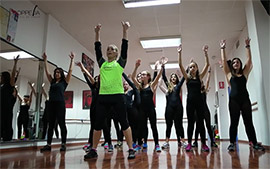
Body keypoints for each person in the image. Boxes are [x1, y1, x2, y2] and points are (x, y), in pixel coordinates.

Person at [84, 22, 136, 160]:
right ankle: (93, 150)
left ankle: (131, 149)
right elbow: (97, 49)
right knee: (98, 125)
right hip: (103, 97)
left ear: (116, 53)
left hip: (118, 96)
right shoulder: (102, 64)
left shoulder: (119, 64)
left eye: (112, 49)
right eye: (108, 49)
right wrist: (97, 33)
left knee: (124, 123)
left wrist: (125, 31)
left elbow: (125, 48)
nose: (109, 50)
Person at [220, 38, 265, 151]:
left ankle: (254, 143)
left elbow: (249, 60)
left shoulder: (245, 73)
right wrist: (222, 48)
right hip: (233, 101)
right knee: (234, 123)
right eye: (234, 62)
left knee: (248, 122)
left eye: (238, 62)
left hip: (245, 100)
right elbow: (224, 60)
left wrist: (247, 46)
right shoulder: (229, 74)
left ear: (240, 64)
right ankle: (232, 143)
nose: (236, 63)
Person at [178, 44, 210, 152]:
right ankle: (189, 144)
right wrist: (179, 53)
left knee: (201, 123)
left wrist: (205, 53)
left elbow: (208, 64)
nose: (192, 68)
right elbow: (180, 65)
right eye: (190, 66)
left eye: (194, 66)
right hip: (190, 103)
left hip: (199, 102)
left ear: (196, 68)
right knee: (191, 123)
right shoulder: (187, 78)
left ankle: (204, 144)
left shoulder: (200, 77)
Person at [40, 52, 74, 152]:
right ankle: (48, 144)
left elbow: (70, 71)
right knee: (51, 125)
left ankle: (63, 144)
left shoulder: (64, 82)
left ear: (61, 74)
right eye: (55, 72)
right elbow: (47, 72)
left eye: (58, 72)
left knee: (61, 123)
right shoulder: (52, 82)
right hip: (51, 104)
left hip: (60, 104)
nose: (56, 74)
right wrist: (45, 60)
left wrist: (72, 60)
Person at [131, 58, 164, 152]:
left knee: (154, 126)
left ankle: (157, 144)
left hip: (150, 109)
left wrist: (162, 66)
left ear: (148, 77)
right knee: (142, 127)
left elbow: (159, 75)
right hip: (142, 110)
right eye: (141, 74)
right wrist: (136, 67)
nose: (142, 76)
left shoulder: (152, 85)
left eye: (144, 74)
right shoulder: (140, 86)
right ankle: (140, 143)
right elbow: (133, 78)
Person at [159, 65, 185, 149]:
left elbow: (184, 78)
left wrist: (187, 68)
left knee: (179, 125)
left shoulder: (178, 87)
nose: (173, 78)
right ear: (170, 79)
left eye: (174, 77)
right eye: (172, 77)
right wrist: (163, 67)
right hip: (169, 109)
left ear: (176, 79)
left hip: (178, 108)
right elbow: (164, 77)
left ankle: (183, 141)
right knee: (168, 125)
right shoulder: (168, 88)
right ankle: (166, 142)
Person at [76, 62, 99, 152]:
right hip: (93, 108)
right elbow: (87, 77)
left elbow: (90, 76)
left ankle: (108, 143)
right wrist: (82, 70)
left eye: (98, 78)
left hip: (101, 108)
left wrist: (83, 67)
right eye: (96, 78)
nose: (96, 79)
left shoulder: (103, 87)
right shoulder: (93, 87)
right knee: (92, 126)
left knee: (103, 127)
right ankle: (90, 142)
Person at [192, 67, 218, 148]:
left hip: (205, 110)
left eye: (201, 83)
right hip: (197, 111)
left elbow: (207, 81)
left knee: (208, 126)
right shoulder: (195, 92)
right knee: (198, 127)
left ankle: (212, 142)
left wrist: (209, 72)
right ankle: (195, 142)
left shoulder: (204, 91)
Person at [0, 55, 19, 141]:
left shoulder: (9, 85)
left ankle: (7, 139)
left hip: (7, 109)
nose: (0, 78)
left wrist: (15, 63)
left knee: (7, 124)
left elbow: (13, 75)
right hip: (1, 108)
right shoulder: (1, 86)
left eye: (1, 76)